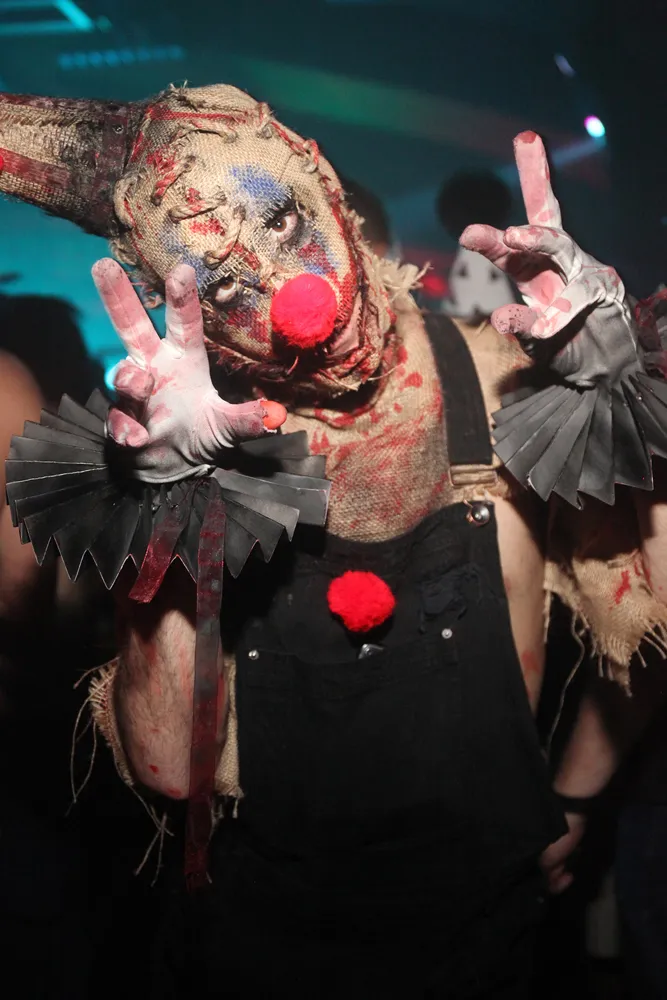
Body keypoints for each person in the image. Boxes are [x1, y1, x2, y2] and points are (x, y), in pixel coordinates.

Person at [1, 85, 667, 998]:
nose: (295, 298)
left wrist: (619, 390)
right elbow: (167, 766)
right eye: (226, 286)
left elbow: (651, 615)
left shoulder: (499, 378)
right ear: (188, 308)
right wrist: (171, 501)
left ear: (316, 177)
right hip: (261, 941)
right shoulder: (197, 436)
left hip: (488, 929)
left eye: (280, 221)